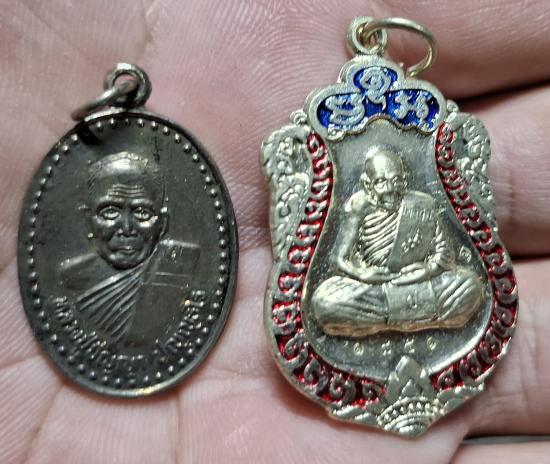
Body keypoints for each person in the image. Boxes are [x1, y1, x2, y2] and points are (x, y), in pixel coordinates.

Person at [311, 146, 483, 336]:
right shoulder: (358, 207)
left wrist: (428, 269)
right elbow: (338, 259)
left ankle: (382, 320)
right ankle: (419, 315)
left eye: (396, 181)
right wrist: (363, 274)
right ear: (367, 185)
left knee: (471, 285)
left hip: (418, 283)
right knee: (324, 302)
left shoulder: (423, 205)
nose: (391, 190)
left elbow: (445, 253)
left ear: (405, 181)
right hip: (374, 289)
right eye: (381, 182)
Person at [58, 151, 200, 345]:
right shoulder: (72, 278)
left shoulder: (180, 268)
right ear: (87, 220)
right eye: (110, 212)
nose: (126, 229)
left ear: (162, 224)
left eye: (142, 212)